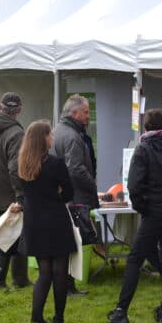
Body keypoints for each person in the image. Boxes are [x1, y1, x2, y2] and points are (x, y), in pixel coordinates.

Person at [105, 109, 162, 323]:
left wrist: (143, 208)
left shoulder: (143, 149)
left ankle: (121, 311)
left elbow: (134, 186)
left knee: (134, 260)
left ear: (146, 128)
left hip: (153, 212)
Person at [18, 120, 75, 323]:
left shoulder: (24, 164)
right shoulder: (56, 164)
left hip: (34, 221)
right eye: (50, 134)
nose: (53, 137)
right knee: (60, 271)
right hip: (56, 220)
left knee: (44, 272)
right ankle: (59, 317)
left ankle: (37, 316)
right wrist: (57, 194)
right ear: (43, 139)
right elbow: (69, 192)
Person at [0, 92, 31, 290]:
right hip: (11, 193)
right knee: (9, 235)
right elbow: (15, 168)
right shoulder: (16, 133)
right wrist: (20, 196)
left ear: (0, 108)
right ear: (18, 111)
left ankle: (18, 279)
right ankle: (1, 281)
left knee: (15, 234)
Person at [51, 94, 98, 296]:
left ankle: (67, 286)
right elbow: (76, 170)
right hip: (74, 198)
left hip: (62, 197)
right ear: (75, 113)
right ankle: (67, 286)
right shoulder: (72, 136)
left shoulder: (58, 131)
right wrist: (93, 186)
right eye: (86, 112)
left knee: (66, 245)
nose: (88, 116)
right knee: (72, 244)